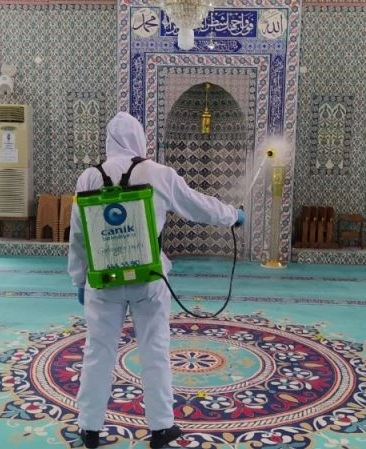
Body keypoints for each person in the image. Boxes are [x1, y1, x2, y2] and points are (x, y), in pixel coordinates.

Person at [67, 112, 245, 449]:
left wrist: (79, 278)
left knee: (98, 351)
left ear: (109, 140)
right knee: (155, 350)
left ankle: (89, 428)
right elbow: (199, 206)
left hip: (103, 280)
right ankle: (161, 428)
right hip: (148, 279)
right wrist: (232, 215)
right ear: (140, 139)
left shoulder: (89, 177)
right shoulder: (159, 173)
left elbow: (78, 235)